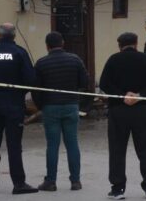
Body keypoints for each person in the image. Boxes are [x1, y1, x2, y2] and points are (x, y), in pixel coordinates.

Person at [0, 23, 38, 195]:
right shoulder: (19, 53)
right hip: (13, 105)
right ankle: (19, 184)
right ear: (14, 36)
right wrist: (18, 92)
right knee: (14, 145)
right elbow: (31, 79)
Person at [100, 32, 146, 200]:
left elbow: (104, 83)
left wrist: (122, 95)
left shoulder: (113, 60)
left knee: (117, 149)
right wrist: (140, 95)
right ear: (136, 43)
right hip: (142, 110)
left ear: (120, 45)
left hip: (118, 111)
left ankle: (118, 188)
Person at [32, 32, 89, 192]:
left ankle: (50, 181)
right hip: (71, 105)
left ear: (47, 45)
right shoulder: (75, 59)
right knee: (72, 143)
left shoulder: (41, 63)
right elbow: (84, 82)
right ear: (62, 43)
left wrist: (40, 106)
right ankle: (75, 181)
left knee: (52, 145)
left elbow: (36, 89)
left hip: (50, 107)